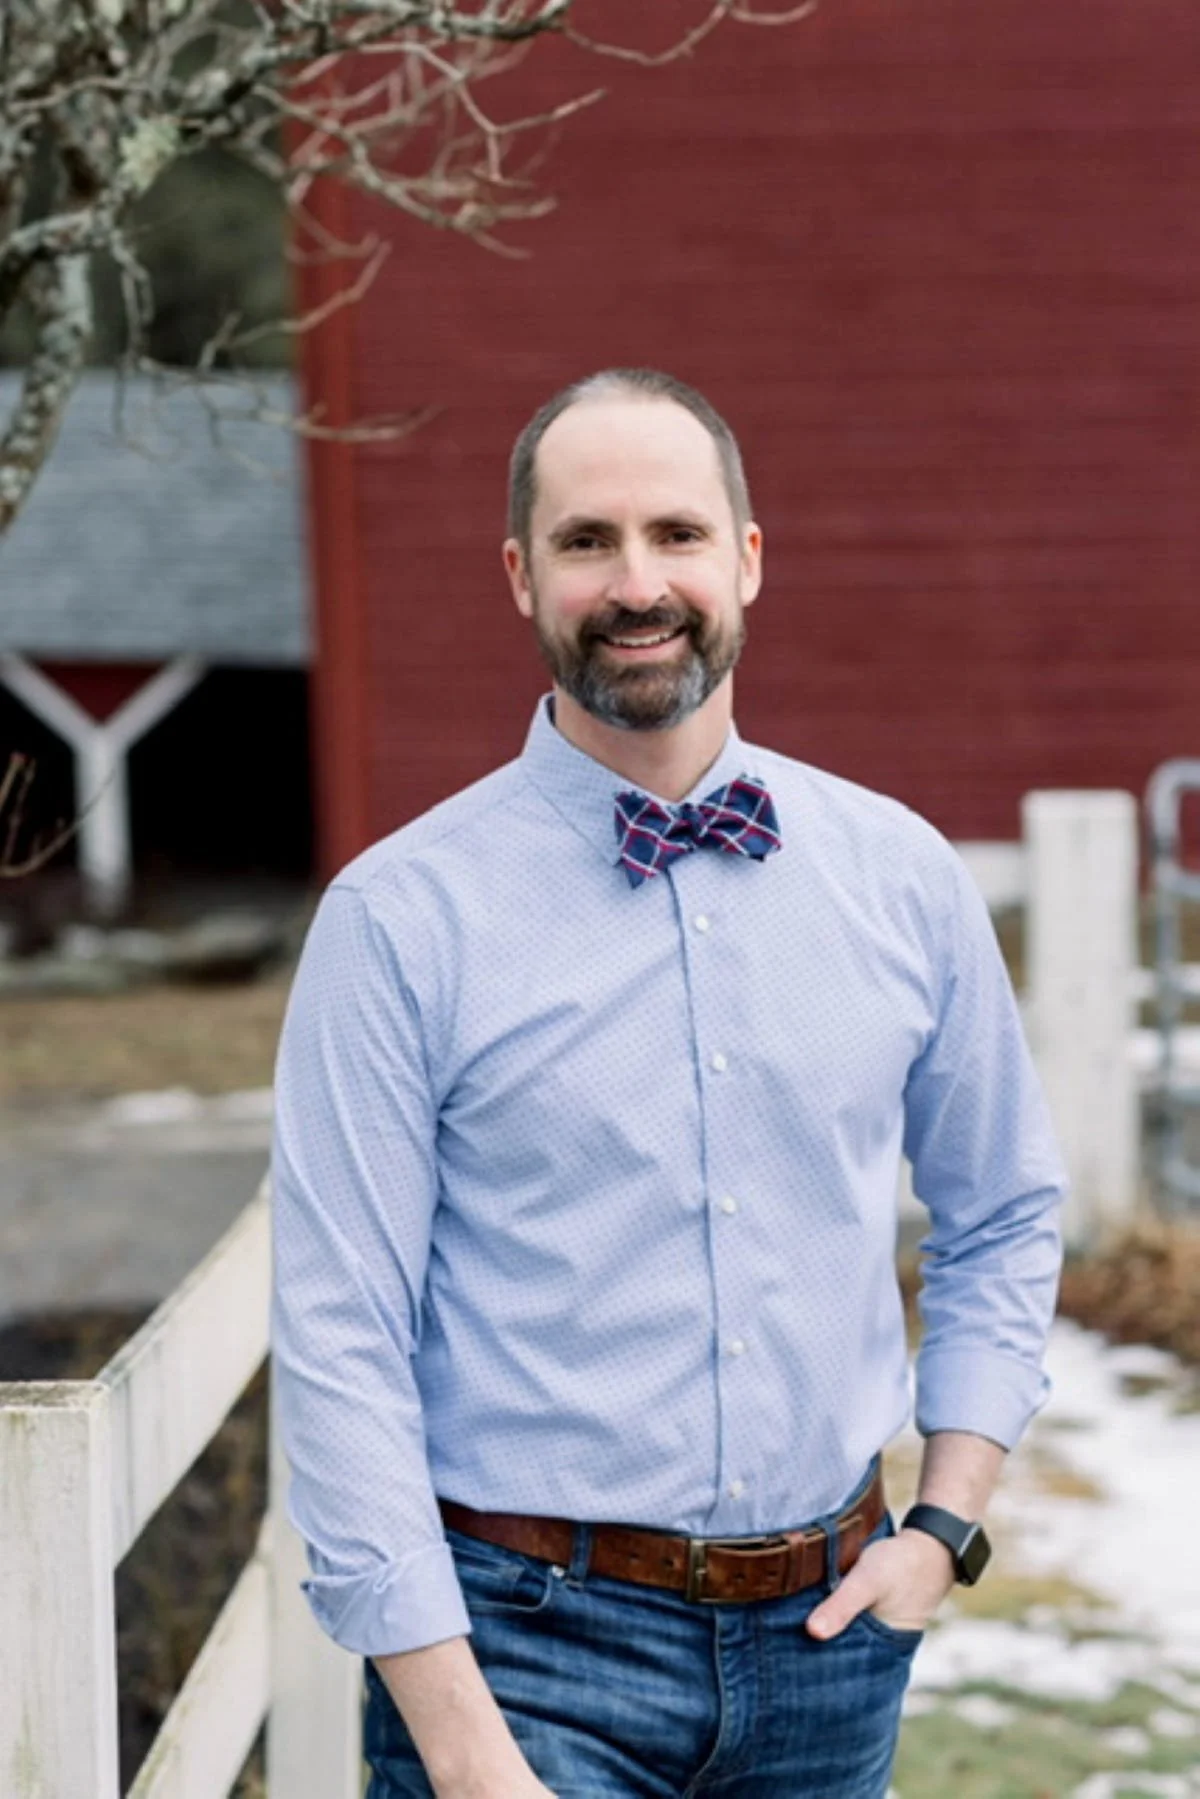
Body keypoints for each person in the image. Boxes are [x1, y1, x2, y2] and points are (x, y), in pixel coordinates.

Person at [271, 368, 1065, 1798]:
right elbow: (341, 1338)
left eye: (677, 534)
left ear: (747, 558)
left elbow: (1002, 1208)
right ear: (522, 575)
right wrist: (464, 1747)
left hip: (832, 1650)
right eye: (587, 542)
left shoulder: (899, 878)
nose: (638, 583)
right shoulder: (400, 918)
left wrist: (945, 1524)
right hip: (524, 1662)